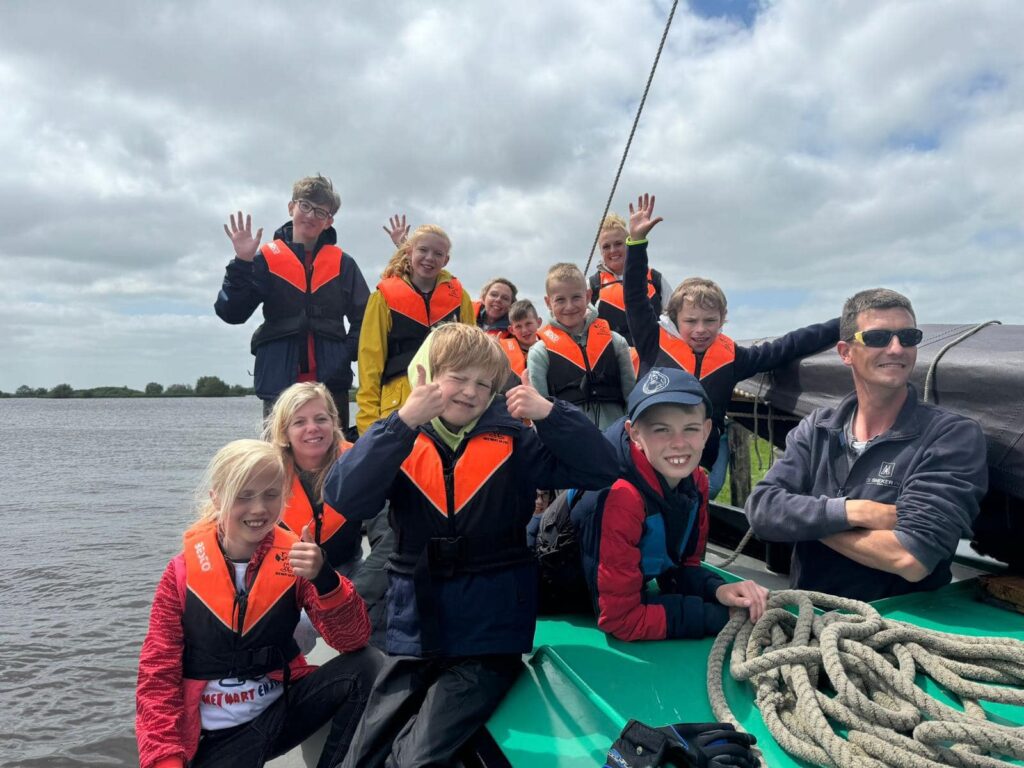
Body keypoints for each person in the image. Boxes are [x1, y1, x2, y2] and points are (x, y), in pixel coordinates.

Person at [324, 323, 618, 767]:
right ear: (429, 376)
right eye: (458, 378)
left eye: (484, 383)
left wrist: (550, 413)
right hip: (417, 632)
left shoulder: (516, 443)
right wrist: (401, 421)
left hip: (488, 637)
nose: (470, 391)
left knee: (416, 761)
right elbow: (343, 496)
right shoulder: (401, 437)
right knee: (360, 755)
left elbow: (602, 469)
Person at [135, 439, 379, 768]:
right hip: (217, 737)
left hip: (281, 711)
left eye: (270, 495)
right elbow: (157, 675)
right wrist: (165, 760)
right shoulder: (180, 574)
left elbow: (352, 640)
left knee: (368, 664)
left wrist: (326, 579)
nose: (259, 509)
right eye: (244, 496)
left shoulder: (295, 559)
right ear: (217, 498)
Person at [745, 289, 988, 601]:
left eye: (908, 337)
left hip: (897, 621)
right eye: (878, 338)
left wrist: (802, 519)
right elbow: (762, 509)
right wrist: (857, 511)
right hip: (809, 613)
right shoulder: (816, 428)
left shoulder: (951, 437)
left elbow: (911, 557)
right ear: (846, 352)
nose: (896, 349)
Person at [624, 193, 840, 491]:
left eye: (710, 321)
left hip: (699, 464)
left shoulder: (732, 357)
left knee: (700, 504)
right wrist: (636, 244)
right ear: (674, 318)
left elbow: (789, 346)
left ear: (723, 319)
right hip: (650, 460)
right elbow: (635, 297)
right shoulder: (653, 341)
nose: (701, 330)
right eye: (691, 321)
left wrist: (844, 324)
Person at [576, 368, 768, 641]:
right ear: (634, 434)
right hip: (562, 600)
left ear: (706, 431)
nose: (678, 444)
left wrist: (717, 590)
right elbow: (621, 620)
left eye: (690, 429)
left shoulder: (696, 483)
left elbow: (681, 569)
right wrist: (718, 617)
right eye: (661, 430)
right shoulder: (620, 498)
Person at [216, 175, 369, 430]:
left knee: (337, 453)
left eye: (320, 212)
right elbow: (232, 313)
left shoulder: (344, 264)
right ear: (291, 207)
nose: (310, 215)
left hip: (331, 385)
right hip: (278, 383)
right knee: (276, 453)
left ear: (329, 221)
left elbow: (365, 318)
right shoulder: (265, 258)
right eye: (305, 206)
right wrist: (242, 263)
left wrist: (345, 353)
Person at [355, 224, 475, 436]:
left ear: (446, 260)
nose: (430, 258)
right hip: (399, 404)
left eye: (438, 253)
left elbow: (473, 356)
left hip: (447, 404)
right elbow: (369, 362)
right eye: (423, 250)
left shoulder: (460, 298)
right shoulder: (382, 297)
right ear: (409, 252)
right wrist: (369, 422)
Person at [528, 262, 636, 429]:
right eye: (560, 300)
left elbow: (632, 398)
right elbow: (539, 414)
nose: (569, 306)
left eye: (576, 297)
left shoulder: (617, 343)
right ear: (548, 302)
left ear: (588, 296)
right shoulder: (539, 353)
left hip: (617, 437)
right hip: (568, 440)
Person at [588, 212, 671, 346]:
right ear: (600, 251)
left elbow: (674, 318)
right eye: (606, 246)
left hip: (651, 353)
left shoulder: (655, 279)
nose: (613, 250)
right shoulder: (592, 286)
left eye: (618, 244)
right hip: (612, 356)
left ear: (628, 244)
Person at [500, 298, 542, 378]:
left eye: (528, 324)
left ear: (538, 322)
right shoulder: (501, 351)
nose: (524, 330)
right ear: (511, 330)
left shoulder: (550, 349)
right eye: (518, 326)